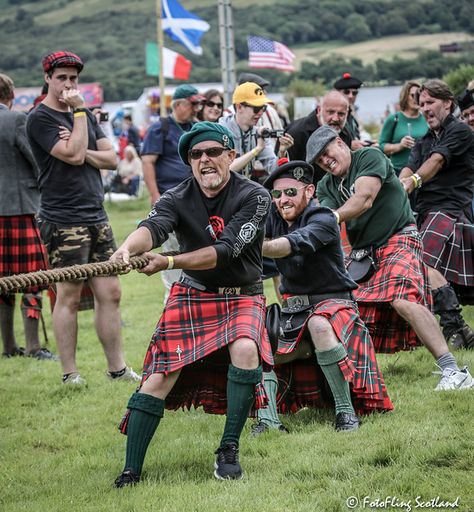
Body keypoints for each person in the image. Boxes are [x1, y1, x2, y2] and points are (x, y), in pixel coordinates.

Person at [111, 122, 273, 487]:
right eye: (196, 155)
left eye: (214, 152)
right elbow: (153, 227)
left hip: (242, 294)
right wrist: (128, 248)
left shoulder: (255, 196)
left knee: (246, 349)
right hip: (194, 293)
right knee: (159, 375)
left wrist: (168, 262)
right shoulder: (176, 196)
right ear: (190, 162)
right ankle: (131, 470)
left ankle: (228, 449)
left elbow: (226, 250)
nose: (205, 160)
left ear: (230, 156)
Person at [309, 125, 473, 390]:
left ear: (339, 143)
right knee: (344, 309)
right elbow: (325, 220)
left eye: (326, 153)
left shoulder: (369, 157)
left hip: (399, 235)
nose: (326, 162)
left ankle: (454, 371)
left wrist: (332, 217)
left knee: (402, 298)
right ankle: (350, 381)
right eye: (320, 161)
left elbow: (364, 198)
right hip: (365, 253)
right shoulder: (326, 185)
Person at [252, 159, 393, 434]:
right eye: (277, 195)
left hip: (335, 306)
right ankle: (268, 421)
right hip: (294, 310)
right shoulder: (273, 218)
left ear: (309, 191)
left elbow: (290, 245)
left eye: (290, 192)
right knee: (256, 332)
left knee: (318, 323)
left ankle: (345, 412)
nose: (283, 200)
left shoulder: (324, 218)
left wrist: (251, 245)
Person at [26, 50, 140, 386]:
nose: (69, 84)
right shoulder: (40, 118)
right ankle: (70, 373)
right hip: (62, 218)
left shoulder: (83, 115)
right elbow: (72, 156)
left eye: (73, 78)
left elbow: (112, 159)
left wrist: (83, 140)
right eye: (62, 77)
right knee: (69, 296)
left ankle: (117, 369)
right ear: (48, 78)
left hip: (96, 214)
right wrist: (78, 116)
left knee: (112, 292)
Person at [399, 80, 474, 349]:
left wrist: (414, 181)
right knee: (422, 269)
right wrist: (399, 186)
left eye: (430, 103)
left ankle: (455, 327)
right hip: (428, 212)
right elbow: (408, 169)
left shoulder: (461, 132)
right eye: (421, 105)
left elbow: (437, 161)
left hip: (451, 211)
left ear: (448, 103)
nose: (425, 109)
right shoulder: (424, 140)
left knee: (422, 266)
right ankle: (459, 330)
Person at [0, 73, 55, 360]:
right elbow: (36, 161)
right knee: (31, 279)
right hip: (20, 209)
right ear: (10, 95)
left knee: (2, 281)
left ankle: (8, 347)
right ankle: (33, 346)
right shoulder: (16, 119)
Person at [141, 84, 204, 301]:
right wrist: (154, 194)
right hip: (171, 203)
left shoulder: (196, 127)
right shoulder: (161, 128)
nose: (197, 108)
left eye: (198, 104)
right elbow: (148, 161)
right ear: (178, 104)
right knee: (174, 265)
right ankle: (174, 309)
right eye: (193, 104)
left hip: (198, 203)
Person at [219, 82, 293, 182]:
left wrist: (282, 152)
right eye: (257, 108)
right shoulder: (221, 131)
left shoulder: (258, 132)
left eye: (264, 108)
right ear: (239, 107)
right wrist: (256, 150)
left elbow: (274, 170)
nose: (261, 113)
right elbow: (225, 169)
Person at [286, 90, 351, 186]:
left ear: (347, 113)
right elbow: (285, 173)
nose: (336, 118)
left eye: (341, 114)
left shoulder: (345, 134)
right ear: (319, 110)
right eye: (331, 112)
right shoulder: (296, 133)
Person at [379, 81, 428, 177]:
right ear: (405, 96)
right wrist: (400, 145)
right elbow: (381, 146)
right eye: (413, 95)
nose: (416, 99)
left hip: (420, 173)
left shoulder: (427, 119)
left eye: (419, 95)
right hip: (397, 173)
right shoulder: (394, 119)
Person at [333, 73, 370, 149]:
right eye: (346, 92)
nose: (351, 96)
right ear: (338, 93)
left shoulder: (351, 115)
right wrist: (350, 144)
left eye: (354, 93)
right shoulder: (332, 114)